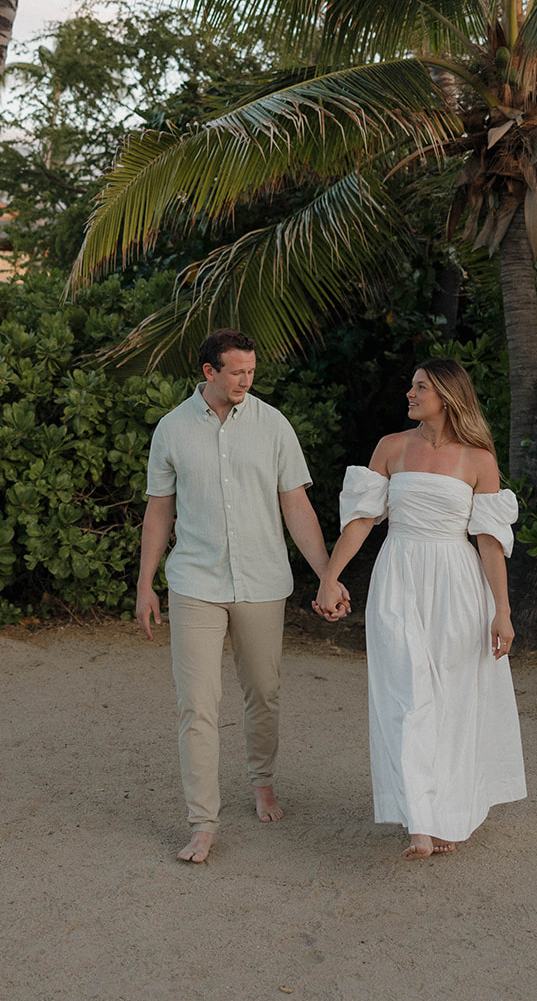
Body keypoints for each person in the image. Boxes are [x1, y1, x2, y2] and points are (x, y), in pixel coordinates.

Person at [136, 328, 349, 864]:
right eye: (236, 372)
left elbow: (296, 506)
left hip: (261, 582)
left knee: (264, 691)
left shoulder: (273, 424)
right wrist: (145, 584)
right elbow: (159, 510)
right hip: (195, 584)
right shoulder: (172, 429)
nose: (246, 381)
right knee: (197, 705)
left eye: (251, 372)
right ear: (209, 371)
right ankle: (202, 821)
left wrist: (326, 575)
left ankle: (262, 782)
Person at [315, 358, 527, 858]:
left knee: (454, 696)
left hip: (456, 582)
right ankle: (417, 818)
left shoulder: (478, 459)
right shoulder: (391, 447)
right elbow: (364, 520)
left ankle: (448, 813)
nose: (409, 393)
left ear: (448, 396)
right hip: (399, 577)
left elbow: (490, 541)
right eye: (410, 385)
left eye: (420, 387)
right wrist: (330, 577)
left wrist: (503, 611)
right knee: (404, 693)